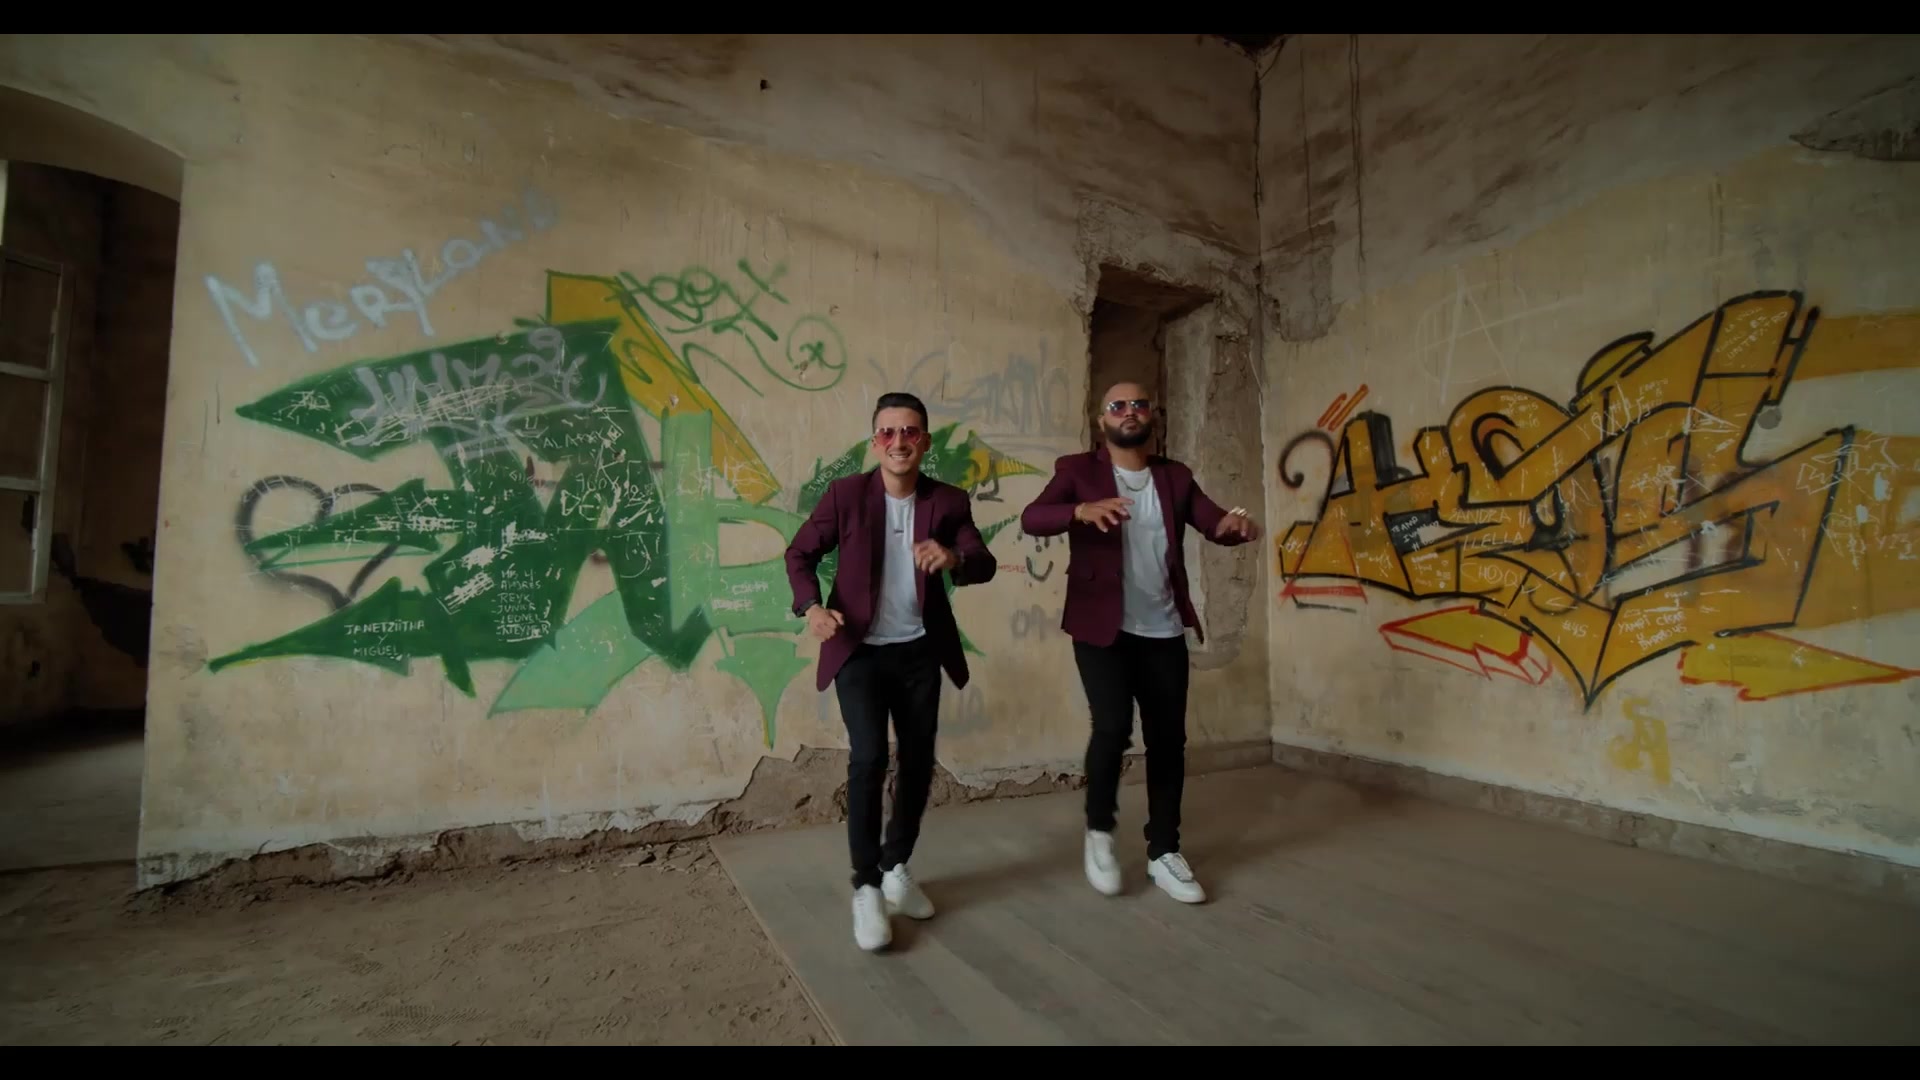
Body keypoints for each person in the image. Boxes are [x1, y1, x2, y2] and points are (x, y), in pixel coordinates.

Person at [1019, 381, 1259, 904]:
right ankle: (1099, 834)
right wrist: (1078, 511)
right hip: (1101, 628)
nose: (1130, 411)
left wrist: (1234, 526)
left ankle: (1164, 851)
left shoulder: (1175, 477)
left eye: (1139, 404)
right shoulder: (1077, 472)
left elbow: (1213, 522)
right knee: (1111, 728)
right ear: (1101, 420)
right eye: (1117, 405)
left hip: (1163, 629)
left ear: (1152, 416)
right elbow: (1032, 517)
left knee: (1168, 741)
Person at [785, 391, 999, 952]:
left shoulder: (947, 500)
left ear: (924, 441)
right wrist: (811, 608)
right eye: (888, 432)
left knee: (920, 761)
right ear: (874, 441)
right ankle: (866, 887)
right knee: (869, 758)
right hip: (859, 650)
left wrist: (954, 558)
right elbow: (799, 555)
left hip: (919, 651)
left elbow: (984, 561)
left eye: (909, 432)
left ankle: (895, 866)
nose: (898, 441)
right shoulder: (846, 495)